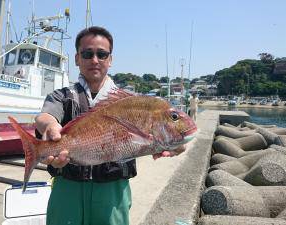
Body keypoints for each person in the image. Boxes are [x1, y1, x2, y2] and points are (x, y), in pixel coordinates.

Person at [35, 26, 185, 225]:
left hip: (112, 193)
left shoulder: (130, 102)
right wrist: (49, 126)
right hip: (66, 189)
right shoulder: (62, 96)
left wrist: (176, 142)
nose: (95, 60)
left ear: (110, 60)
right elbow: (45, 116)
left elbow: (165, 137)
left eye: (102, 54)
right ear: (77, 59)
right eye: (87, 54)